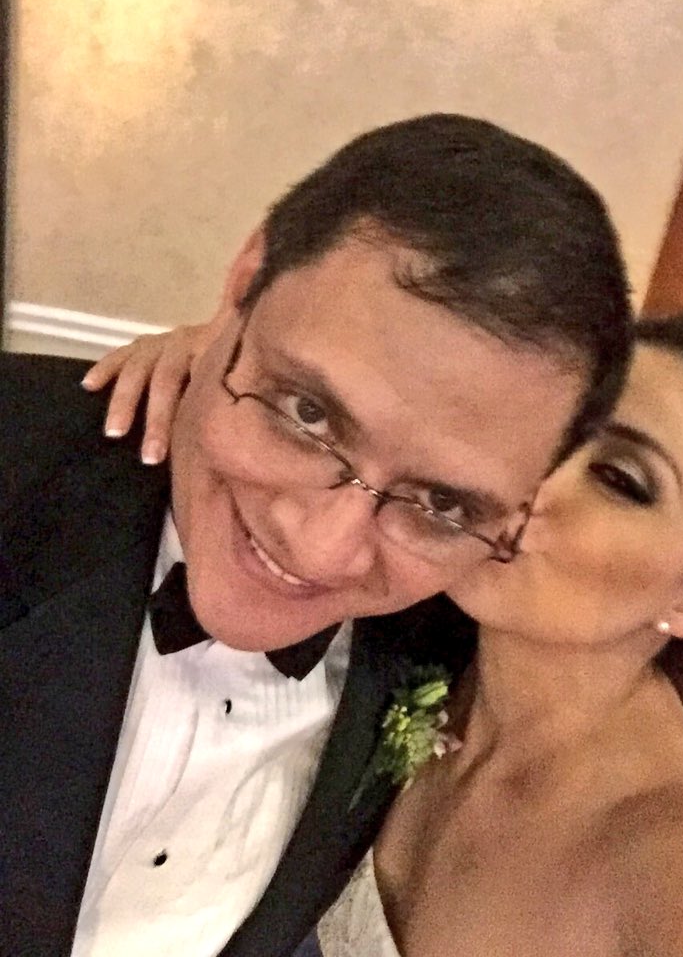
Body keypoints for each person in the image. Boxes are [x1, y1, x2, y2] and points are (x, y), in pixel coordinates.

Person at [0, 113, 632, 957]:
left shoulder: (456, 640)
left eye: (440, 503)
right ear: (245, 281)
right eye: (307, 412)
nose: (322, 550)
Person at [105, 305, 683, 956]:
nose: (527, 479)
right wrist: (215, 368)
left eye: (620, 479)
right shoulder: (416, 622)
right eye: (550, 428)